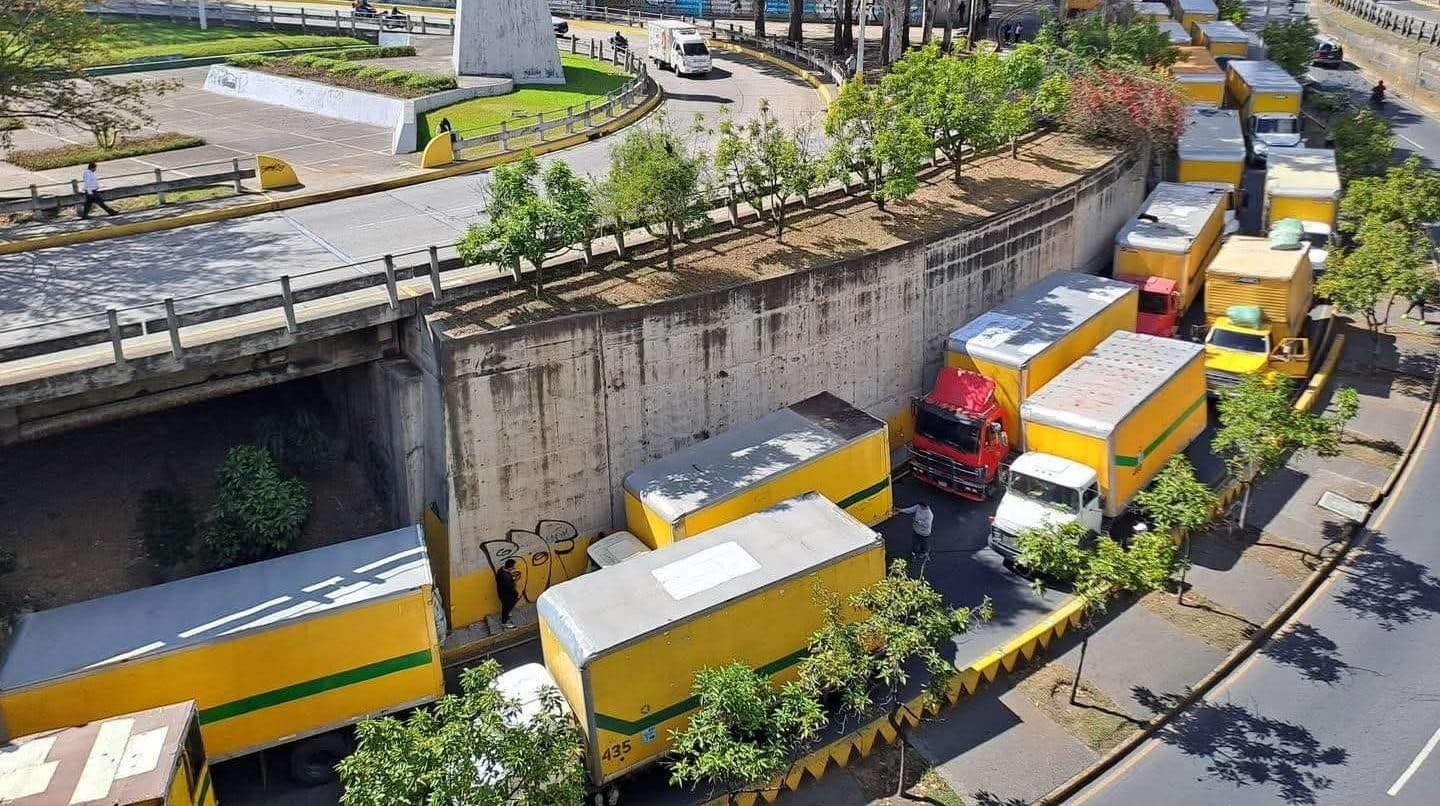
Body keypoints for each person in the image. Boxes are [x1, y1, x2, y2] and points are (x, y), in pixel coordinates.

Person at [495, 558, 519, 629]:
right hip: (507, 595)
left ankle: (508, 613)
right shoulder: (506, 577)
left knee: (515, 597)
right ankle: (504, 623)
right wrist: (514, 580)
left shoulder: (501, 570)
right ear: (510, 568)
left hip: (502, 592)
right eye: (513, 567)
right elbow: (510, 586)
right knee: (506, 608)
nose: (513, 568)